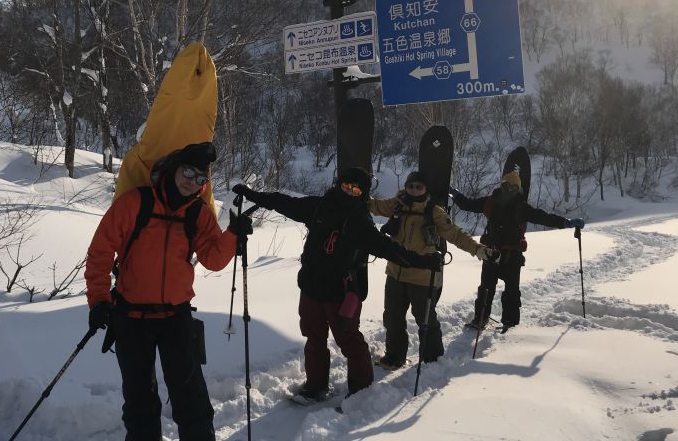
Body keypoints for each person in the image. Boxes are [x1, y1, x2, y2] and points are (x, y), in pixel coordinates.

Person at [85, 142, 252, 441]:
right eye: (188, 172)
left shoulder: (198, 214)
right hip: (131, 318)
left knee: (192, 400)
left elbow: (213, 259)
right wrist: (99, 301)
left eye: (201, 179)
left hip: (176, 317)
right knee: (140, 404)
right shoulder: (135, 203)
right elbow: (100, 252)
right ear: (174, 168)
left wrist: (233, 235)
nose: (192, 182)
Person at [232, 167, 441, 402]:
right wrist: (254, 195)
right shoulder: (320, 206)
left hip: (341, 293)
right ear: (339, 184)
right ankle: (316, 386)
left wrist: (424, 261)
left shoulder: (360, 222)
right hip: (311, 286)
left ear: (362, 193)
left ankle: (362, 391)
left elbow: (389, 249)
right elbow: (285, 203)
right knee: (314, 338)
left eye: (356, 189)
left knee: (348, 340)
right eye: (346, 186)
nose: (350, 192)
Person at [368, 170, 498, 369]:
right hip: (395, 272)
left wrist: (479, 250)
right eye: (410, 186)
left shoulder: (434, 211)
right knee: (392, 317)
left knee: (425, 319)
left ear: (425, 189)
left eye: (418, 187)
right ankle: (394, 356)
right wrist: (354, 193)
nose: (413, 190)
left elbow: (455, 234)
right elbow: (375, 206)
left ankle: (433, 359)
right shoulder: (397, 203)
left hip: (422, 277)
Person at [450, 170, 585, 331]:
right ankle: (480, 319)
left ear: (518, 188)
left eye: (514, 187)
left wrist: (566, 222)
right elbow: (468, 204)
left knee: (512, 290)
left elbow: (544, 217)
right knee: (486, 288)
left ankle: (510, 322)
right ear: (502, 185)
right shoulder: (490, 203)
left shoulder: (522, 208)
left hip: (513, 255)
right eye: (507, 185)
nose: (510, 189)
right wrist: (453, 193)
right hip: (491, 253)